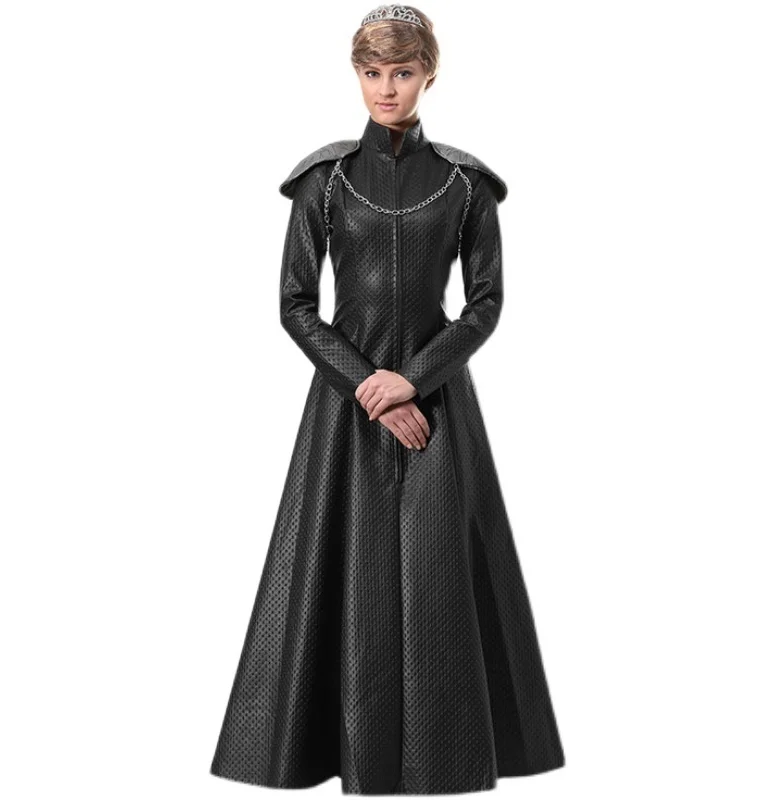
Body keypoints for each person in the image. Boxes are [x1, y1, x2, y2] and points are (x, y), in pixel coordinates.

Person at [210, 4, 565, 794]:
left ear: (429, 75)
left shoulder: (467, 184)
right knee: (345, 574)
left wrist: (416, 379)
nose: (386, 88)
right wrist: (371, 387)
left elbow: (485, 304)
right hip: (344, 409)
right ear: (357, 75)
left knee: (440, 578)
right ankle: (345, 753)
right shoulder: (323, 180)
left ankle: (442, 761)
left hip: (438, 409)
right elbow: (295, 304)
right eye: (372, 73)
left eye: (402, 72)